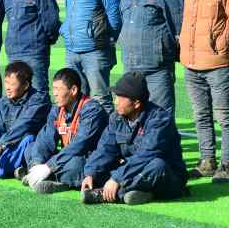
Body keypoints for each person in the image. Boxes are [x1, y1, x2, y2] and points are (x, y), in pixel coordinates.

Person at [179, 0, 229, 182]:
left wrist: (226, 50)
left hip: (218, 64)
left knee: (224, 116)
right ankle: (207, 161)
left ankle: (227, 165)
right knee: (200, 115)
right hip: (191, 63)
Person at [80, 71, 187, 205]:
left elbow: (145, 156)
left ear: (136, 103)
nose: (115, 102)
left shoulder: (160, 120)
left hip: (167, 176)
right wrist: (91, 173)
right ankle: (139, 192)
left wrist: (117, 178)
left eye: (120, 98)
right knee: (95, 165)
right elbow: (105, 149)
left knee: (157, 165)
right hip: (132, 170)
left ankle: (107, 193)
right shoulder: (116, 117)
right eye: (116, 97)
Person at [21, 67, 109, 195]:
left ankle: (53, 178)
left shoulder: (92, 110)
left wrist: (49, 166)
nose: (54, 93)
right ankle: (37, 173)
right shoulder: (57, 108)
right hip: (66, 156)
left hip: (86, 157)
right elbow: (46, 138)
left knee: (76, 165)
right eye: (53, 89)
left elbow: (79, 145)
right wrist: (37, 163)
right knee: (31, 148)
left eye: (58, 89)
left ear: (73, 90)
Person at [116, 0, 183, 115]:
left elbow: (180, 29)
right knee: (132, 115)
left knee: (160, 116)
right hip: (130, 67)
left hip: (157, 70)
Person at [60, 0, 122, 113]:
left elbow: (115, 17)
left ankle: (107, 131)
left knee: (100, 98)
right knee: (75, 98)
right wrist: (65, 30)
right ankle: (81, 130)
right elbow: (70, 13)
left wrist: (104, 39)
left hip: (95, 51)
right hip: (71, 50)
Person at [2, 0, 60, 92]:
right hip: (13, 52)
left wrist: (43, 42)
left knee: (37, 91)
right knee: (15, 91)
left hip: (34, 52)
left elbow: (51, 21)